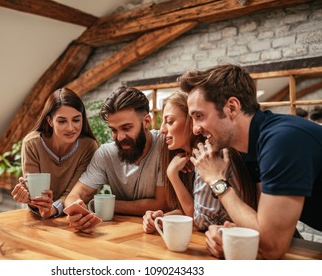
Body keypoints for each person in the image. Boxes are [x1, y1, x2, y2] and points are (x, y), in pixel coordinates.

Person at [179, 64, 322, 259]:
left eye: (199, 116)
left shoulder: (281, 141)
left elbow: (271, 247)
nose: (195, 129)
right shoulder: (252, 147)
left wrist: (216, 180)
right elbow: (263, 227)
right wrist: (230, 235)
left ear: (232, 107)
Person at [142, 91, 257, 233]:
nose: (162, 130)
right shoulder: (186, 159)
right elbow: (193, 211)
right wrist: (161, 218)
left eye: (170, 122)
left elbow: (200, 221)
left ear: (191, 123)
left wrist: (172, 175)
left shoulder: (209, 156)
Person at [64, 86, 167, 232]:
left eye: (126, 128)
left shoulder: (164, 146)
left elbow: (161, 204)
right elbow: (76, 194)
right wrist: (76, 213)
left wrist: (105, 205)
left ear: (146, 121)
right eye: (114, 130)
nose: (119, 137)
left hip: (156, 233)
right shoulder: (105, 154)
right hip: (116, 234)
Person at [11, 88, 99, 219]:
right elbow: (35, 194)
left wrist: (53, 209)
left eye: (76, 120)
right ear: (50, 121)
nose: (70, 128)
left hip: (70, 215)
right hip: (36, 218)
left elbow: (74, 194)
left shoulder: (88, 147)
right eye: (62, 121)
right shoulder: (32, 143)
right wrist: (27, 195)